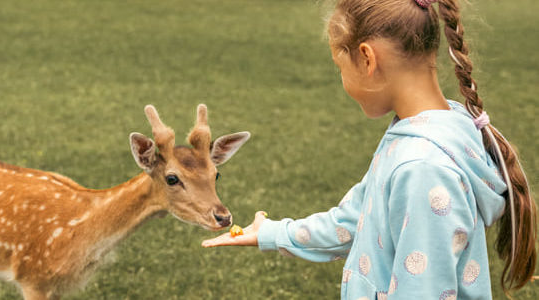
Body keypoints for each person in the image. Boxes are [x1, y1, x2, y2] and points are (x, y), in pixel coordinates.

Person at [201, 0, 536, 298]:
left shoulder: (423, 167)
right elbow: (357, 218)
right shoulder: (430, 127)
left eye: (340, 68)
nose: (342, 79)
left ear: (366, 58)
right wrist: (275, 232)